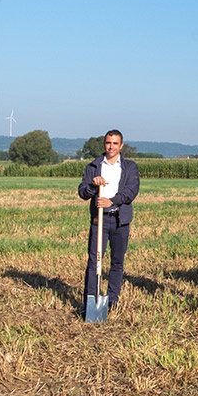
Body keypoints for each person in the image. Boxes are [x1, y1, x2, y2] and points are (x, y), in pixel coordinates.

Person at [78, 129, 140, 312]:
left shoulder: (129, 167)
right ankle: (90, 301)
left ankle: (112, 301)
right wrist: (92, 185)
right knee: (94, 261)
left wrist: (111, 201)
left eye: (114, 143)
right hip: (99, 220)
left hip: (120, 220)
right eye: (108, 143)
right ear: (104, 144)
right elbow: (82, 192)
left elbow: (131, 192)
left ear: (121, 145)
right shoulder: (94, 166)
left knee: (117, 262)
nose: (111, 146)